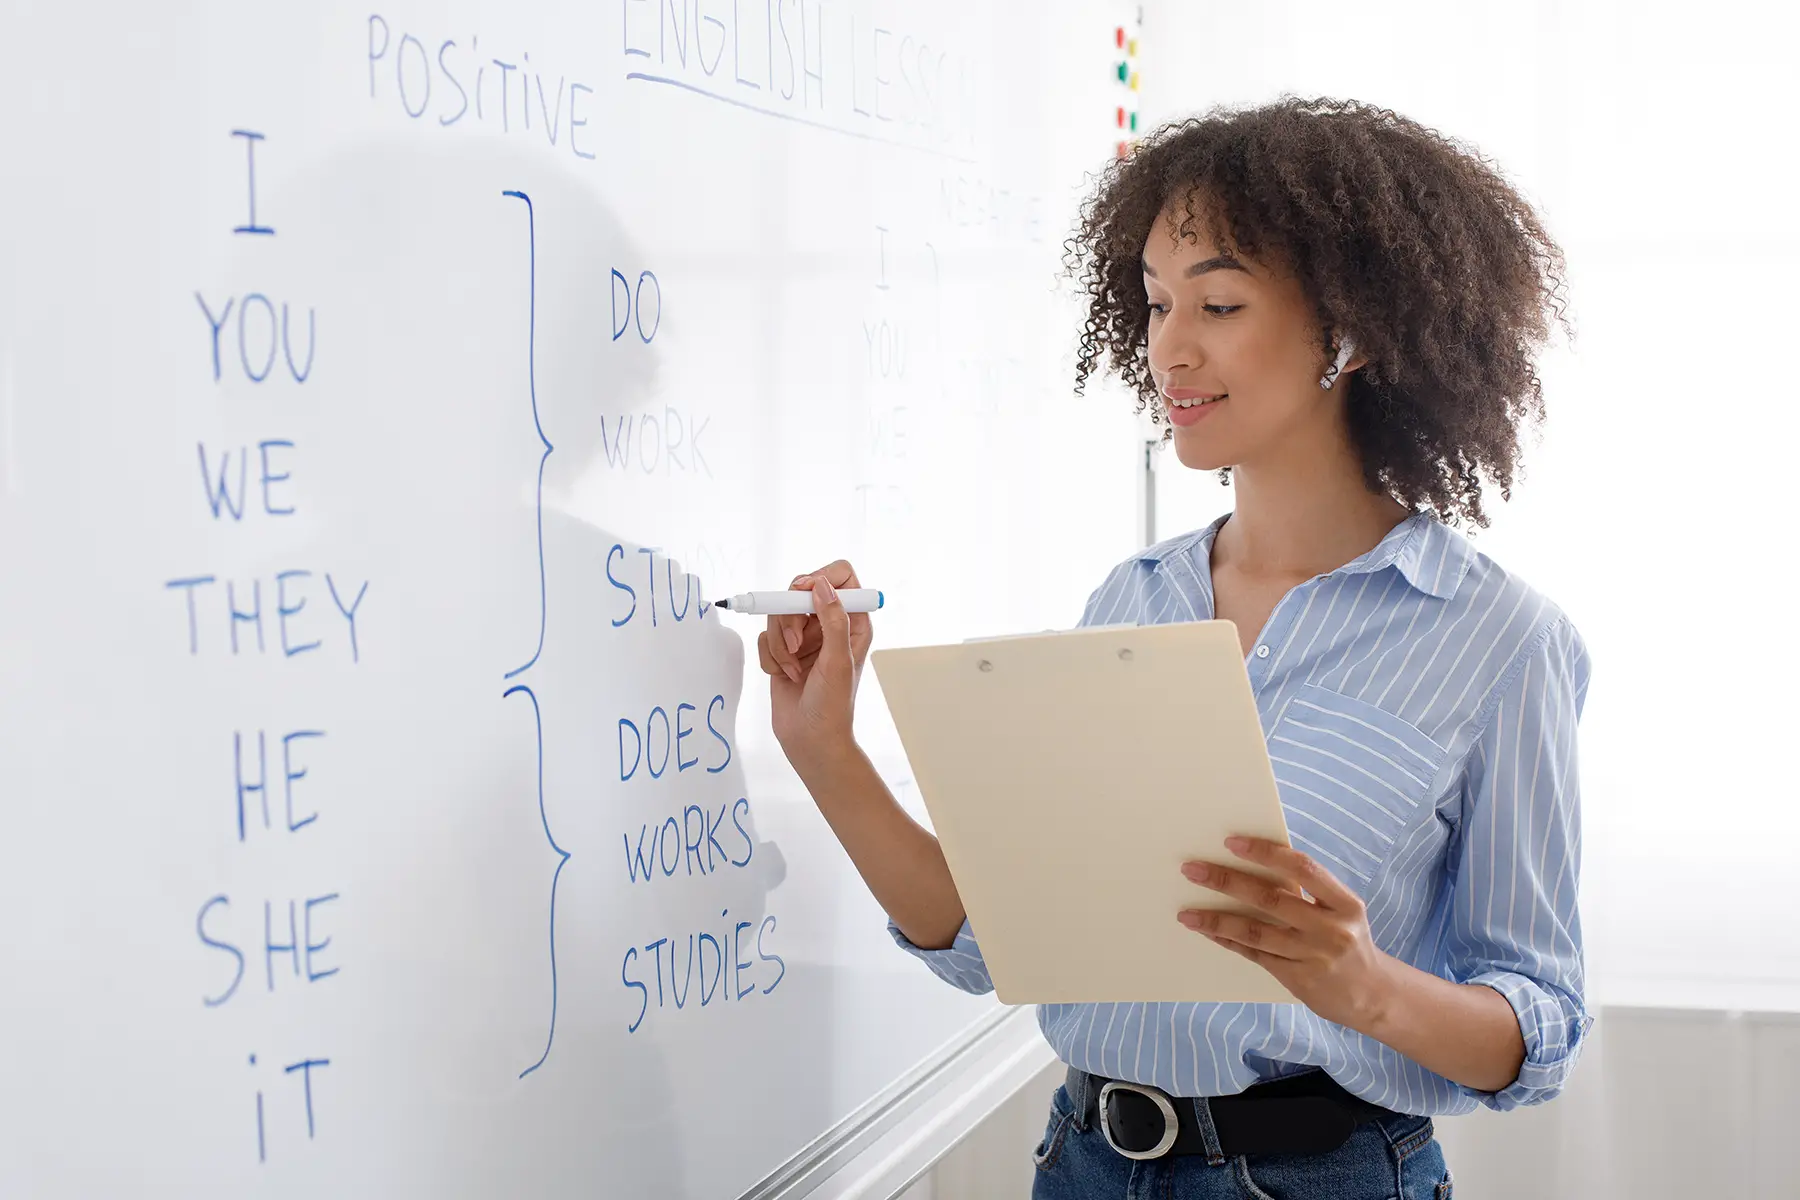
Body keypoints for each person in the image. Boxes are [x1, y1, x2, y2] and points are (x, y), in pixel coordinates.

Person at [757, 96, 1590, 1199]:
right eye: (1154, 304)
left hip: (1326, 1178)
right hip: (1084, 1163)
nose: (1170, 348)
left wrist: (1364, 985)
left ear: (1357, 327)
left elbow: (1541, 1024)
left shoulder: (1499, 640)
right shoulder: (1132, 601)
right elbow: (995, 938)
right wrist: (825, 748)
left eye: (1220, 302)